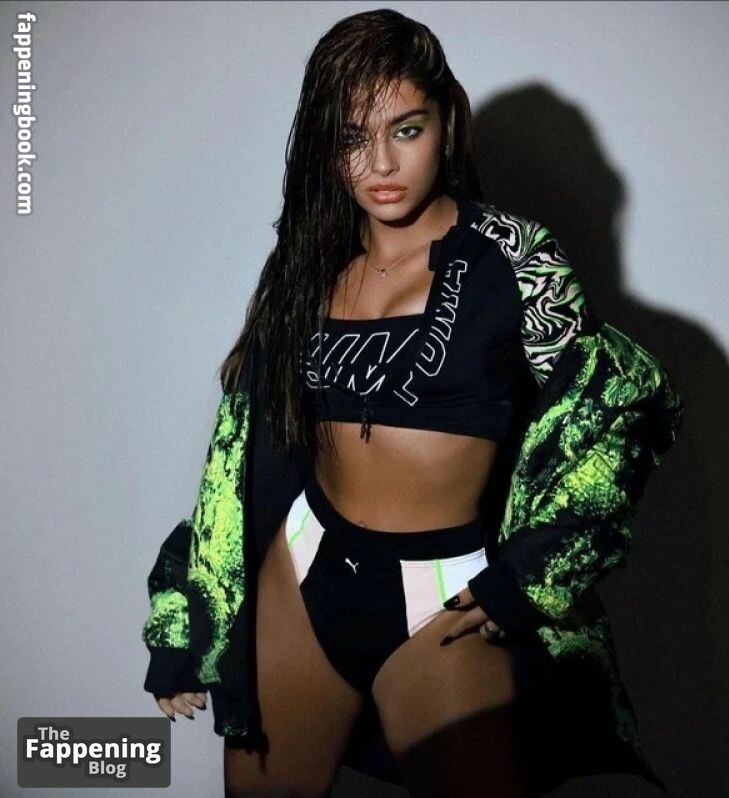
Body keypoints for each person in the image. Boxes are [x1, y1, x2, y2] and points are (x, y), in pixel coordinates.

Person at [141, 9, 684, 797]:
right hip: (302, 576)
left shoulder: (518, 261)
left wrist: (528, 577)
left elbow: (620, 412)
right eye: (352, 138)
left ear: (446, 124)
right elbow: (238, 458)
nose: (381, 164)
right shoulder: (306, 266)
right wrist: (190, 618)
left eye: (406, 129)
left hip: (444, 600)